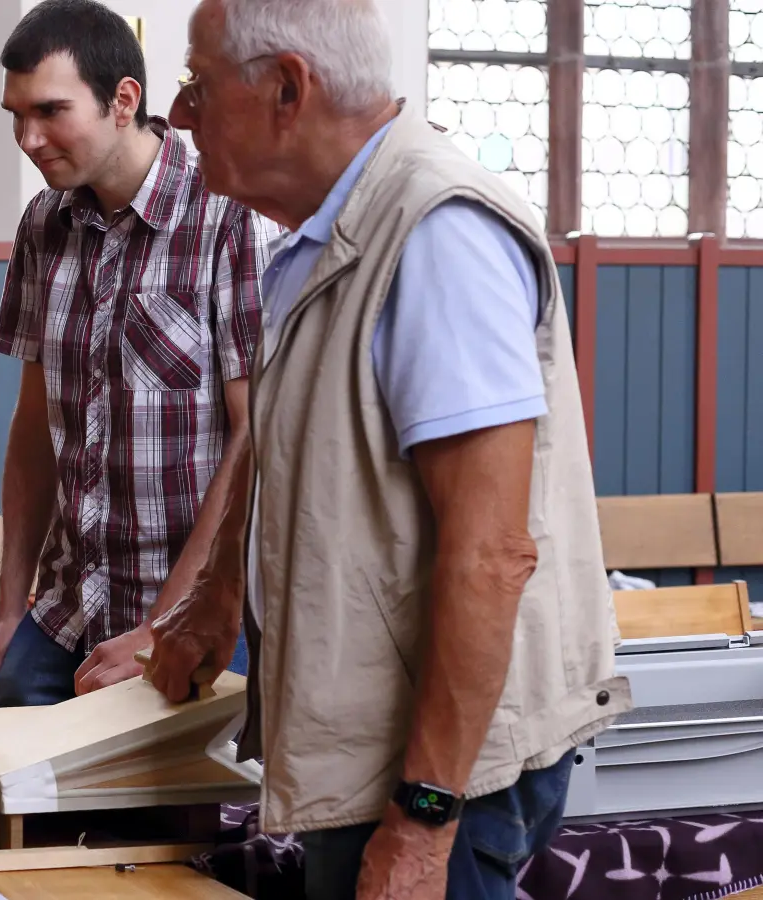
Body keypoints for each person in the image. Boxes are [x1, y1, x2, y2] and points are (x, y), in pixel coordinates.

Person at [146, 1, 632, 898]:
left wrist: (422, 824)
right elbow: (287, 430)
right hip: (376, 755)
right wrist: (217, 589)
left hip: (437, 780)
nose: (179, 114)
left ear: (287, 88)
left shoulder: (437, 236)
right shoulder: (324, 237)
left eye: (197, 85)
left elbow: (492, 555)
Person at [0, 0, 273, 708]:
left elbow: (254, 436)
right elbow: (33, 425)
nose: (28, 138)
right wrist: (11, 608)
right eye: (16, 115)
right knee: (8, 738)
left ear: (123, 100)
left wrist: (161, 627)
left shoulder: (229, 216)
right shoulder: (42, 224)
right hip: (66, 606)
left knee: (177, 777)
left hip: (195, 607)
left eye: (50, 111)